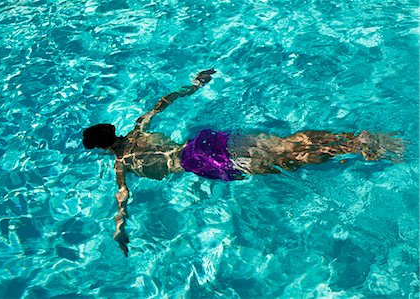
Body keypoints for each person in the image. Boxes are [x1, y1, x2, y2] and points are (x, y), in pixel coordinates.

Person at [82, 69, 403, 257]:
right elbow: (164, 101)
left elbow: (123, 199)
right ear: (112, 129)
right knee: (287, 144)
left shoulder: (121, 165)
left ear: (102, 148)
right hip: (208, 142)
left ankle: (358, 149)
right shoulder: (140, 127)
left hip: (203, 161)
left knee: (289, 162)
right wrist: (196, 83)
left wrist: (119, 229)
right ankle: (351, 139)